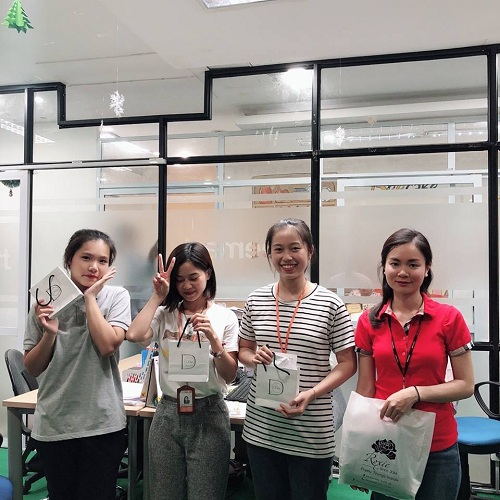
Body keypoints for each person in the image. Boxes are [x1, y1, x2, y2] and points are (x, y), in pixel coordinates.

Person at [238, 218, 357, 500]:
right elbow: (243, 350)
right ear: (269, 253)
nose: (287, 257)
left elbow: (348, 363)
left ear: (310, 251)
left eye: (295, 248)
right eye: (278, 249)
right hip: (262, 429)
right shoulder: (256, 300)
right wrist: (254, 358)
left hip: (311, 430)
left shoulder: (330, 304)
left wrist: (312, 393)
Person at [354, 228, 474, 500]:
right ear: (384, 267)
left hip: (437, 445)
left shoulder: (448, 318)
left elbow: (466, 385)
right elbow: (365, 389)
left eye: (413, 264)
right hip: (385, 442)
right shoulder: (369, 321)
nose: (403, 272)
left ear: (427, 268)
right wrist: (358, 449)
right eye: (395, 263)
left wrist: (415, 393)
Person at [24, 229, 131, 500]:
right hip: (55, 422)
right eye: (86, 257)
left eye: (103, 261)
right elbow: (32, 368)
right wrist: (49, 334)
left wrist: (90, 299)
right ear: (69, 259)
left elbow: (107, 346)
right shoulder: (45, 301)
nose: (94, 267)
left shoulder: (116, 297)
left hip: (102, 422)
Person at [126, 242, 239, 500]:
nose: (186, 286)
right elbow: (133, 334)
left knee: (206, 494)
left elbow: (230, 375)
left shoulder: (225, 317)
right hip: (167, 412)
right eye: (179, 280)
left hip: (209, 413)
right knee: (163, 494)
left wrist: (214, 341)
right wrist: (157, 296)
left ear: (208, 273)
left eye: (193, 277)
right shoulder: (164, 314)